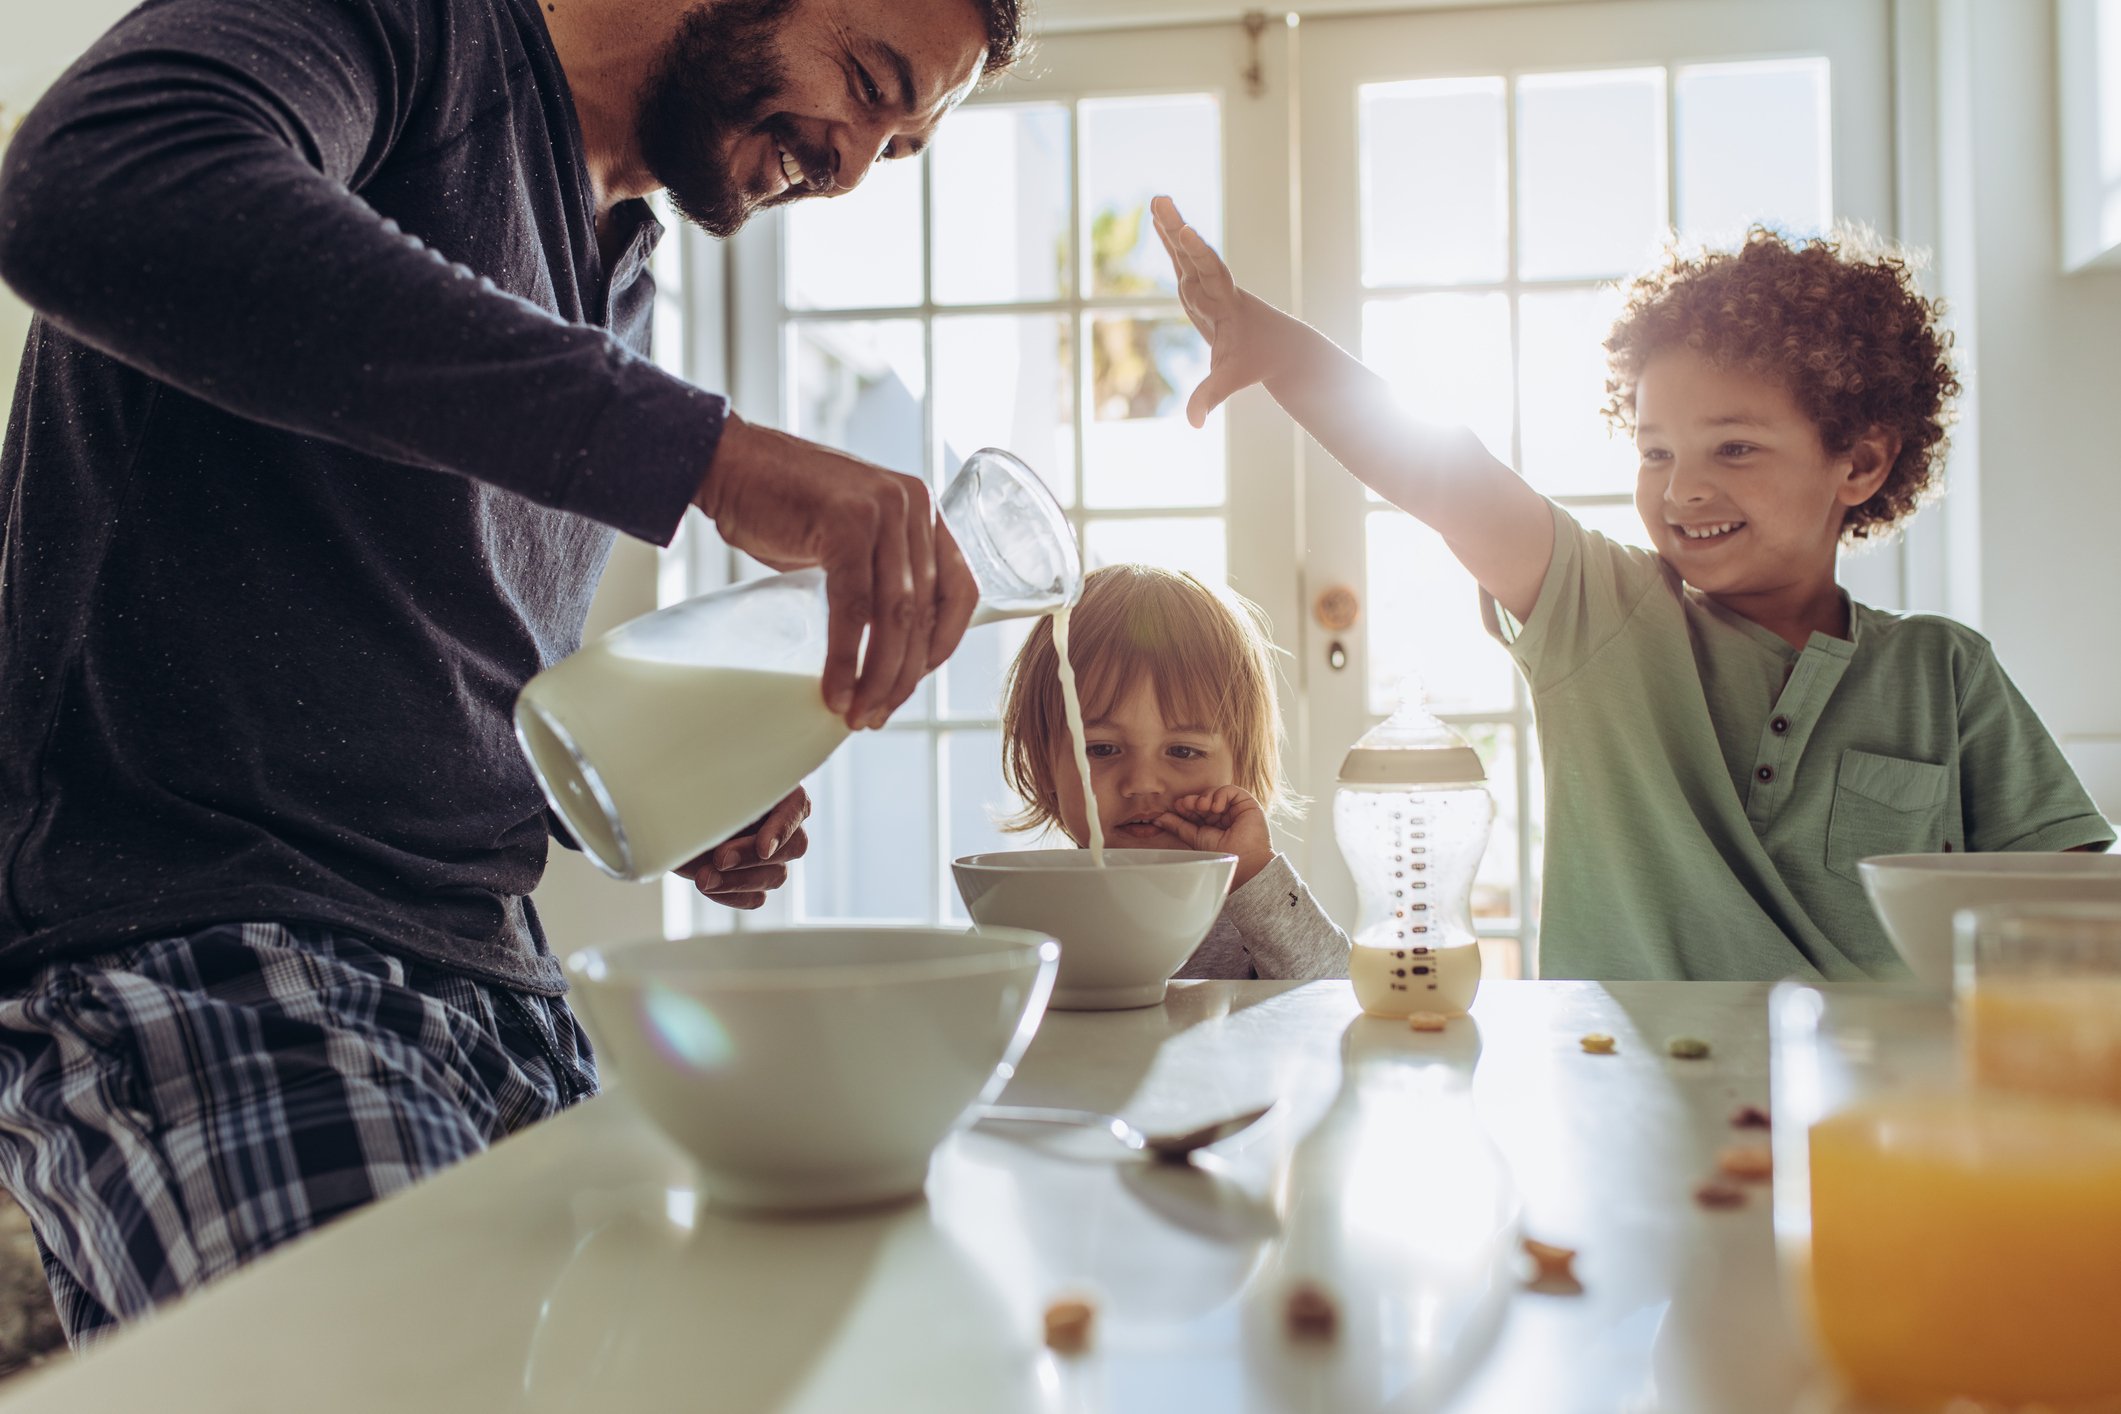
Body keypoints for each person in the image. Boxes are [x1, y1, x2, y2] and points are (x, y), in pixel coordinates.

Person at [0, 0, 1024, 1343]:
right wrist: (704, 455)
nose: (842, 166)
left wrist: (656, 787)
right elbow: (92, 186)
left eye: (895, 152)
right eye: (869, 84)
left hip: (498, 984)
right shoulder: (414, 35)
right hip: (210, 947)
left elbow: (428, 661)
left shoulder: (619, 272)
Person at [1151, 197, 2114, 981]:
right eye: (1656, 451)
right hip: (1619, 1096)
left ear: (1858, 463)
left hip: (1874, 1112)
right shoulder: (1601, 619)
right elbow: (1440, 471)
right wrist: (1278, 352)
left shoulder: (1943, 670)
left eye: (1733, 448)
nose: (1683, 487)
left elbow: (2074, 911)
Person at [998, 564, 1350, 982]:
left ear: (1242, 762)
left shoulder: (1250, 909)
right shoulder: (1024, 906)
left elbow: (1335, 994)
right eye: (1102, 749)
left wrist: (1254, 874)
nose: (1143, 782)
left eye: (1183, 751)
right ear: (1045, 764)